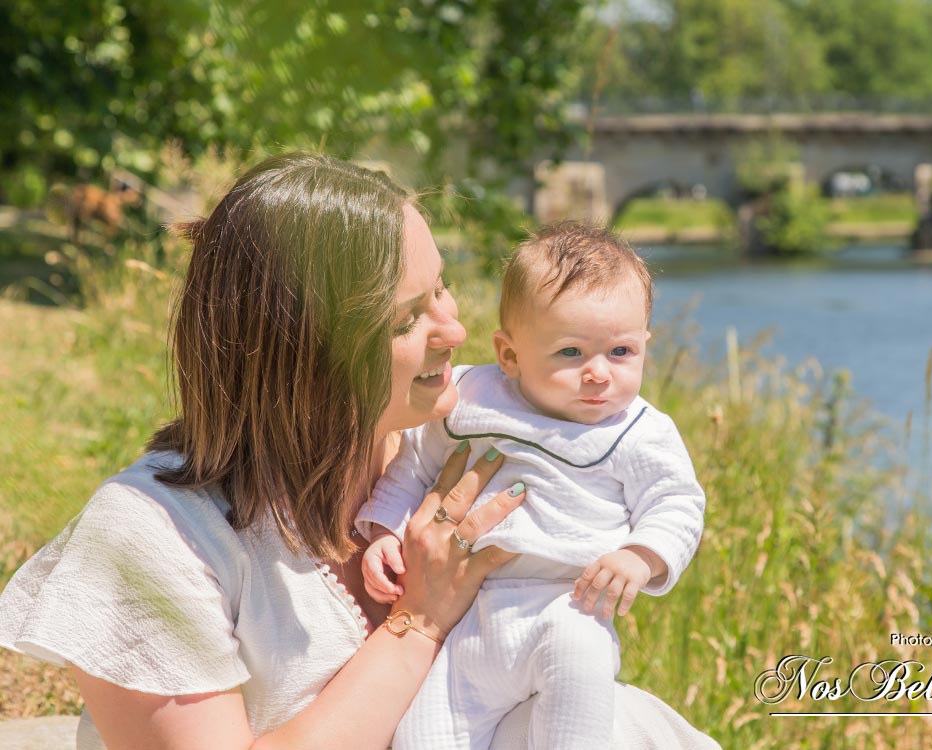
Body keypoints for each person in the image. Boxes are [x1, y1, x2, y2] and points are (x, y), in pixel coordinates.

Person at [0, 153, 719, 750]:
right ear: (306, 351)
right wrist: (420, 621)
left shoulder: (447, 448)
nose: (454, 329)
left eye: (442, 288)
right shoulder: (146, 539)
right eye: (411, 315)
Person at [356, 224, 705, 749]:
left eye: (622, 352)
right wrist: (386, 527)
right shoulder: (473, 397)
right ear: (510, 355)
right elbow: (416, 465)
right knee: (424, 732)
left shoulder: (639, 430)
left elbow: (676, 503)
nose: (598, 374)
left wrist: (642, 554)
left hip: (567, 607)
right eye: (571, 353)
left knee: (579, 699)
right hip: (468, 620)